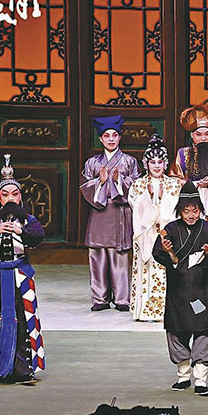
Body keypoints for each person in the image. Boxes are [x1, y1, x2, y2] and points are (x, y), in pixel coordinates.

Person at [0, 155, 45, 383]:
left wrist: (20, 231)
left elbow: (38, 236)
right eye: (5, 194)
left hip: (21, 277)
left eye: (15, 194)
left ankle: (23, 368)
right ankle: (1, 366)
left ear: (20, 197)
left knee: (23, 320)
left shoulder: (28, 220)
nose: (10, 198)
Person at [152, 182, 208, 396]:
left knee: (203, 330)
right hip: (179, 290)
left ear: (200, 209)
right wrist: (168, 252)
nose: (192, 215)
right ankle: (183, 376)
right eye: (187, 211)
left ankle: (201, 380)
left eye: (195, 210)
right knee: (176, 331)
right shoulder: (171, 229)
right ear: (180, 210)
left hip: (203, 289)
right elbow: (158, 252)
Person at [80, 115, 140, 312]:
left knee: (119, 257)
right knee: (97, 255)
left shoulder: (130, 161)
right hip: (99, 214)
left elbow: (137, 187)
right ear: (100, 139)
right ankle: (100, 298)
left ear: (120, 137)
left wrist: (118, 180)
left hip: (120, 213)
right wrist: (101, 181)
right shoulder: (92, 163)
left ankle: (122, 298)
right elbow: (85, 186)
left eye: (115, 135)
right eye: (107, 136)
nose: (111, 139)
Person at [127, 134, 181, 322]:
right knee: (147, 270)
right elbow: (136, 210)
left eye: (160, 162)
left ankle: (167, 310)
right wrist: (148, 198)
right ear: (146, 164)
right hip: (146, 235)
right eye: (152, 162)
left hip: (166, 235)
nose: (156, 166)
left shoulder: (174, 184)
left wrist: (162, 199)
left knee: (166, 270)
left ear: (165, 164)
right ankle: (145, 311)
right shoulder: (138, 185)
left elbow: (174, 212)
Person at [169, 103, 208, 216]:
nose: (203, 138)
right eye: (198, 134)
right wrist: (194, 184)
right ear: (192, 135)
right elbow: (173, 181)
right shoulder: (183, 154)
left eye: (207, 134)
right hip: (189, 207)